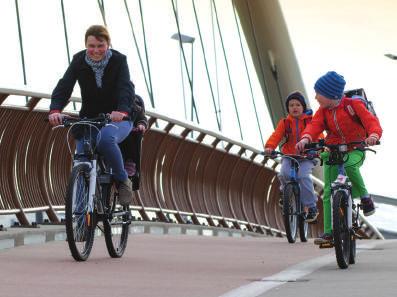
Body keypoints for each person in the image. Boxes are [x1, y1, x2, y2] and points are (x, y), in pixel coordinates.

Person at [48, 25, 136, 206]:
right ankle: (80, 217)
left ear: (108, 44)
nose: (95, 50)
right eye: (91, 46)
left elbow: (125, 87)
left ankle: (122, 180)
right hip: (90, 118)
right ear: (86, 45)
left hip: (118, 118)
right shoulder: (79, 61)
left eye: (100, 45)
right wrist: (55, 109)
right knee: (82, 158)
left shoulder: (119, 60)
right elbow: (65, 85)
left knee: (106, 139)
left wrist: (122, 111)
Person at [295, 71, 382, 245]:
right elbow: (314, 126)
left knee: (350, 166)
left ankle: (365, 197)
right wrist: (306, 138)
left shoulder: (353, 105)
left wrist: (373, 135)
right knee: (328, 191)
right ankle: (329, 232)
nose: (316, 96)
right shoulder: (323, 111)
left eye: (319, 93)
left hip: (355, 148)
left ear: (330, 94)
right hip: (333, 151)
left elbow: (370, 121)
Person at [264, 91, 320, 222]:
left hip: (307, 156)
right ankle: (286, 194)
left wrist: (315, 149)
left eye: (298, 105)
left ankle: (311, 206)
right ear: (288, 108)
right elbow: (276, 135)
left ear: (303, 107)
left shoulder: (310, 122)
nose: (294, 107)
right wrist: (270, 147)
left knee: (303, 176)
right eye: (291, 105)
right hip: (289, 155)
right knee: (283, 173)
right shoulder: (284, 122)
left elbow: (318, 135)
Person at [119, 94, 148, 191]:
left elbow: (142, 118)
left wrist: (141, 124)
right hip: (111, 131)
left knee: (130, 138)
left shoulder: (135, 104)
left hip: (127, 136)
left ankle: (129, 161)